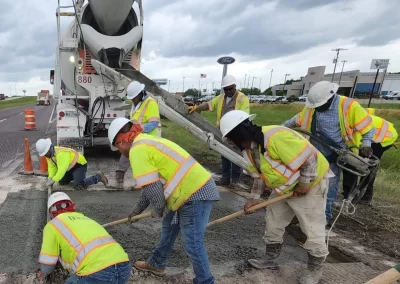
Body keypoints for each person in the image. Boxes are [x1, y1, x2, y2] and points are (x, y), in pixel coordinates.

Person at [219, 110, 331, 284]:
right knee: (273, 221)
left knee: (311, 227)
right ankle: (270, 258)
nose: (230, 143)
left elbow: (309, 158)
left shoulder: (274, 137)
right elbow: (258, 177)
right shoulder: (248, 151)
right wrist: (253, 199)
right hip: (283, 188)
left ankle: (314, 269)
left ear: (239, 133)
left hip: (311, 184)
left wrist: (304, 184)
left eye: (231, 138)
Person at [107, 117, 220, 284]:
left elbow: (153, 189)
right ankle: (156, 264)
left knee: (193, 244)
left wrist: (158, 209)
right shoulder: (145, 141)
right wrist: (137, 210)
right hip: (186, 191)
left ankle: (205, 281)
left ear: (121, 142)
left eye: (117, 148)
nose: (120, 152)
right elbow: (150, 186)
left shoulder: (137, 151)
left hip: (194, 193)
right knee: (169, 227)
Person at [282, 81, 374, 225]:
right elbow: (294, 121)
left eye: (320, 106)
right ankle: (303, 214)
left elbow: (368, 128)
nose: (317, 109)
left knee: (328, 187)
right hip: (314, 151)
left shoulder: (348, 106)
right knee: (307, 182)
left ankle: (323, 218)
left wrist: (366, 144)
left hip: (336, 153)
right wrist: (276, 130)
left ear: (330, 98)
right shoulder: (313, 107)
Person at [37, 192, 131, 283]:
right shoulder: (86, 218)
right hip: (124, 268)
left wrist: (43, 273)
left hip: (97, 273)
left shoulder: (53, 225)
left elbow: (47, 264)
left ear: (51, 212)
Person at [188, 75, 249, 186]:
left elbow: (243, 116)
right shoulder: (221, 98)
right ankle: (225, 178)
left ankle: (235, 180)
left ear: (235, 86)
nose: (228, 91)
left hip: (237, 131)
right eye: (226, 89)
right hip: (224, 131)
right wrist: (197, 108)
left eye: (230, 88)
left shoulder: (242, 98)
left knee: (236, 154)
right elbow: (209, 104)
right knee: (224, 154)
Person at [342, 108, 398, 204]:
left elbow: (355, 148)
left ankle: (360, 195)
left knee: (364, 164)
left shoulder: (353, 125)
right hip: (381, 134)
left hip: (383, 137)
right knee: (357, 163)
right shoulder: (351, 120)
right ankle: (355, 194)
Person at [115, 81, 161, 188]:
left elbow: (154, 123)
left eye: (133, 97)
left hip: (149, 139)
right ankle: (119, 176)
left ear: (140, 94)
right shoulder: (135, 104)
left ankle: (146, 184)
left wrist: (138, 130)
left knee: (143, 162)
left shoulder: (151, 103)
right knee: (126, 152)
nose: (132, 99)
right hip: (137, 137)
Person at [36, 138, 108, 189]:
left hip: (79, 165)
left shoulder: (61, 154)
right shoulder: (49, 155)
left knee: (78, 185)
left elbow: (61, 170)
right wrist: (50, 177)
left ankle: (98, 177)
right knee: (61, 181)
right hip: (70, 167)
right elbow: (52, 167)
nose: (45, 155)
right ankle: (77, 176)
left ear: (49, 148)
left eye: (46, 153)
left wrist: (54, 180)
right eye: (44, 154)